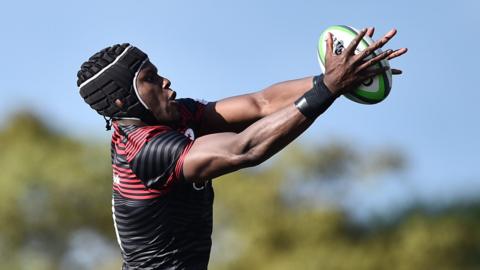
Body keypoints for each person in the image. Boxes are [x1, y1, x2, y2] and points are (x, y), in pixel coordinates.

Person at [76, 27, 407, 269]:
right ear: (123, 100)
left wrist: (337, 76)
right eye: (150, 78)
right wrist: (330, 89)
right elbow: (243, 149)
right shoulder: (145, 151)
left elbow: (260, 103)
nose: (165, 81)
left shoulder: (174, 117)